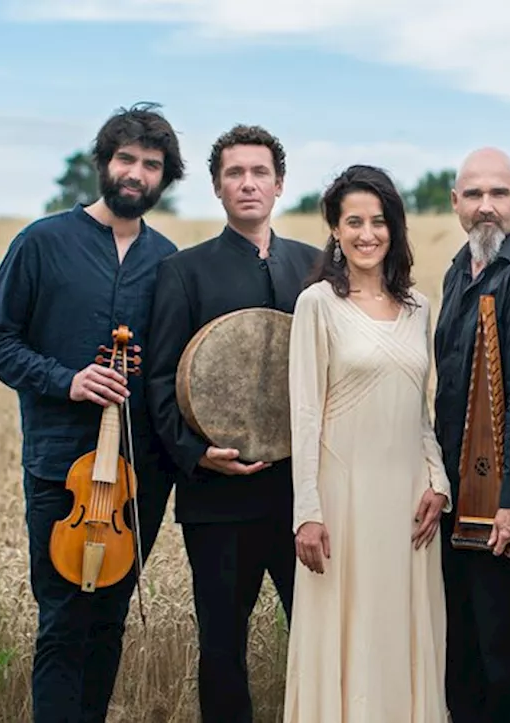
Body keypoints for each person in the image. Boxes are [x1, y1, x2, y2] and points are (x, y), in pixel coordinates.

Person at [0, 102, 185, 722]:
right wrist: (67, 381)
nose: (136, 173)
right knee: (63, 622)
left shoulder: (166, 259)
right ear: (104, 163)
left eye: (151, 165)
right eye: (126, 159)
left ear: (163, 178)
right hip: (61, 467)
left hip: (135, 478)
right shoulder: (42, 243)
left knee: (110, 620)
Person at [144, 124, 321, 723]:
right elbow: (157, 381)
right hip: (217, 501)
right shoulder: (183, 272)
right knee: (222, 646)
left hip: (304, 498)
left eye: (260, 173)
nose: (248, 184)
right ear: (218, 188)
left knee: (318, 638)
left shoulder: (318, 266)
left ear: (279, 185)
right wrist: (194, 454)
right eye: (234, 174)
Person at [283, 164, 452, 722]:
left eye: (378, 222)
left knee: (401, 628)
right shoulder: (317, 305)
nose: (366, 234)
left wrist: (438, 481)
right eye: (353, 221)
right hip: (342, 498)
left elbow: (419, 409)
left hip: (408, 500)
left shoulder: (419, 307)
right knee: (347, 628)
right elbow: (305, 413)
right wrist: (306, 510)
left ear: (394, 229)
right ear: (334, 228)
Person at [431, 147, 510, 723]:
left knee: (506, 651)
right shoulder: (459, 270)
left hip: (500, 501)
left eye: (499, 194)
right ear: (456, 202)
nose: (487, 207)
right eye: (475, 195)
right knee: (464, 647)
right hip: (460, 494)